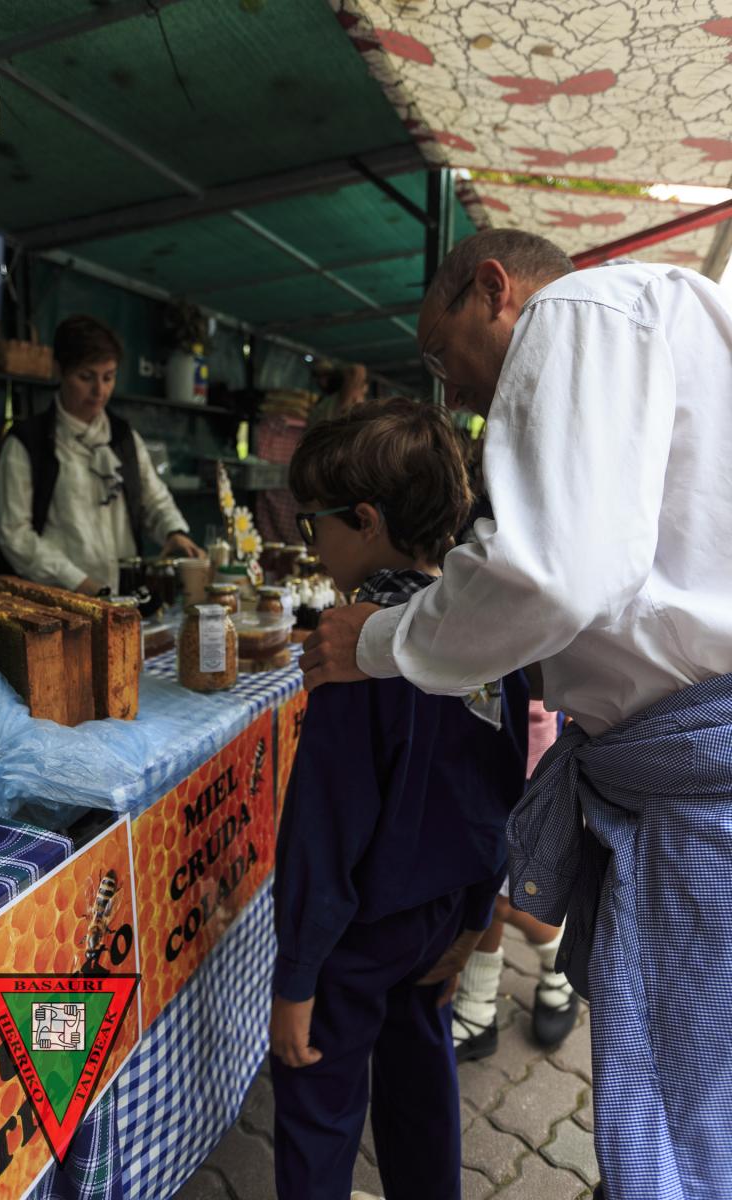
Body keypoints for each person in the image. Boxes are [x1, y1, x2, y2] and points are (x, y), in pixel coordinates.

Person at [298, 228, 732, 1200]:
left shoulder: (576, 312)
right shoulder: (666, 321)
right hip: (680, 769)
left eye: (439, 353)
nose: (451, 390)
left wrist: (377, 640)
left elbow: (552, 574)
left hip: (699, 779)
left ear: (493, 289)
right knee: (693, 1093)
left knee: (687, 1117)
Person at [269, 397, 529, 1200]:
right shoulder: (485, 635)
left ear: (366, 520)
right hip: (442, 917)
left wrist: (296, 979)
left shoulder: (352, 648)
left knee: (317, 1100)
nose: (310, 544)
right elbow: (505, 786)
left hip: (355, 933)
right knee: (421, 1075)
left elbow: (323, 828)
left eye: (313, 523)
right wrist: (476, 914)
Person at [0, 314, 203, 595]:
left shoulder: (123, 438)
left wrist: (173, 532)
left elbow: (154, 499)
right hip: (59, 601)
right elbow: (15, 534)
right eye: (86, 377)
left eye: (109, 377)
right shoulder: (27, 443)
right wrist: (77, 582)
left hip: (123, 597)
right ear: (59, 370)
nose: (99, 391)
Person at [453, 700, 577, 1059]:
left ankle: (560, 956)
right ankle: (477, 1007)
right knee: (479, 885)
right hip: (463, 743)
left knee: (504, 899)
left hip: (523, 750)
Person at [306, 361, 368, 427]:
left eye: (325, 375)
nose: (321, 381)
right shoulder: (328, 400)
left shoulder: (350, 399)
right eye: (319, 376)